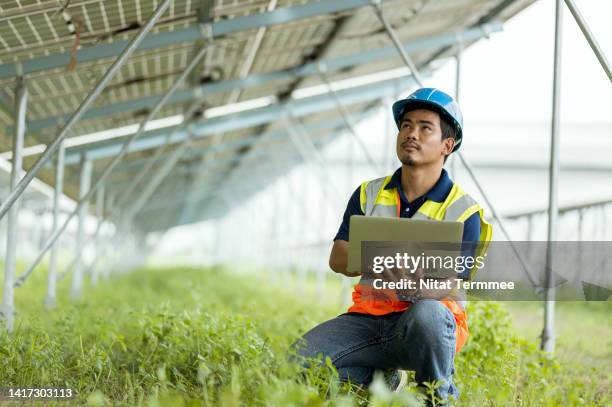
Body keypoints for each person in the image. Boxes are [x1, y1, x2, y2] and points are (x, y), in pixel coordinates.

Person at [291, 88, 493, 404]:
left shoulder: (465, 212)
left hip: (425, 325)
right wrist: (379, 258)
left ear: (447, 145)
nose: (411, 134)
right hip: (369, 320)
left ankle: (437, 397)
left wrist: (412, 286)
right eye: (406, 125)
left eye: (425, 127)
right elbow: (338, 258)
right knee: (296, 364)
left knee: (428, 313)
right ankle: (381, 379)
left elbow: (452, 284)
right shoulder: (368, 194)